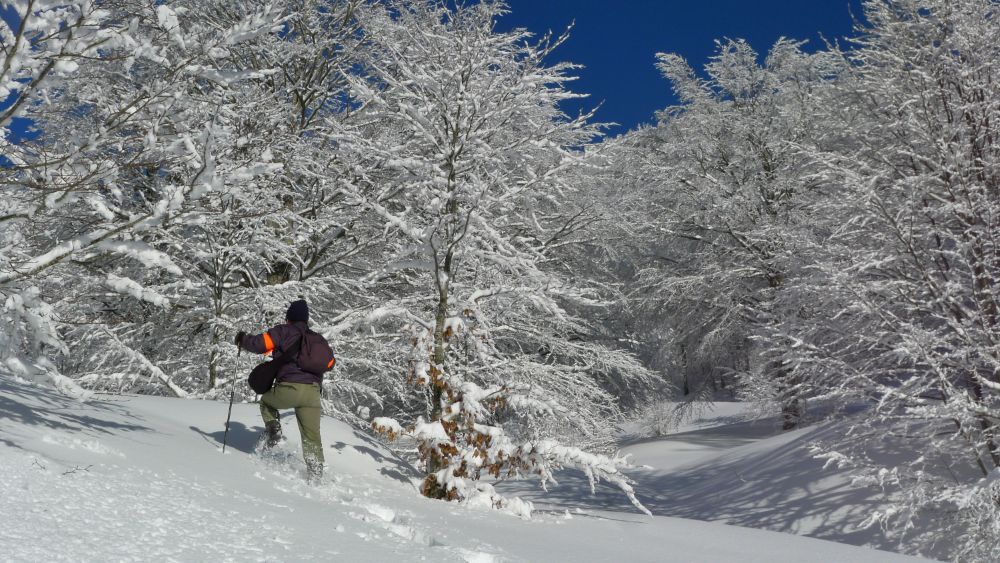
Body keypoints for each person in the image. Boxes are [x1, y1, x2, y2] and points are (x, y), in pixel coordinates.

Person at [235, 299, 327, 483]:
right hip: (312, 394)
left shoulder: (283, 331)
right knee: (311, 437)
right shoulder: (317, 339)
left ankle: (274, 430)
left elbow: (259, 344)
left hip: (289, 388)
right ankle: (316, 475)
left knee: (266, 403)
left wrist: (242, 339)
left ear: (289, 317)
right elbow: (330, 363)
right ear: (306, 319)